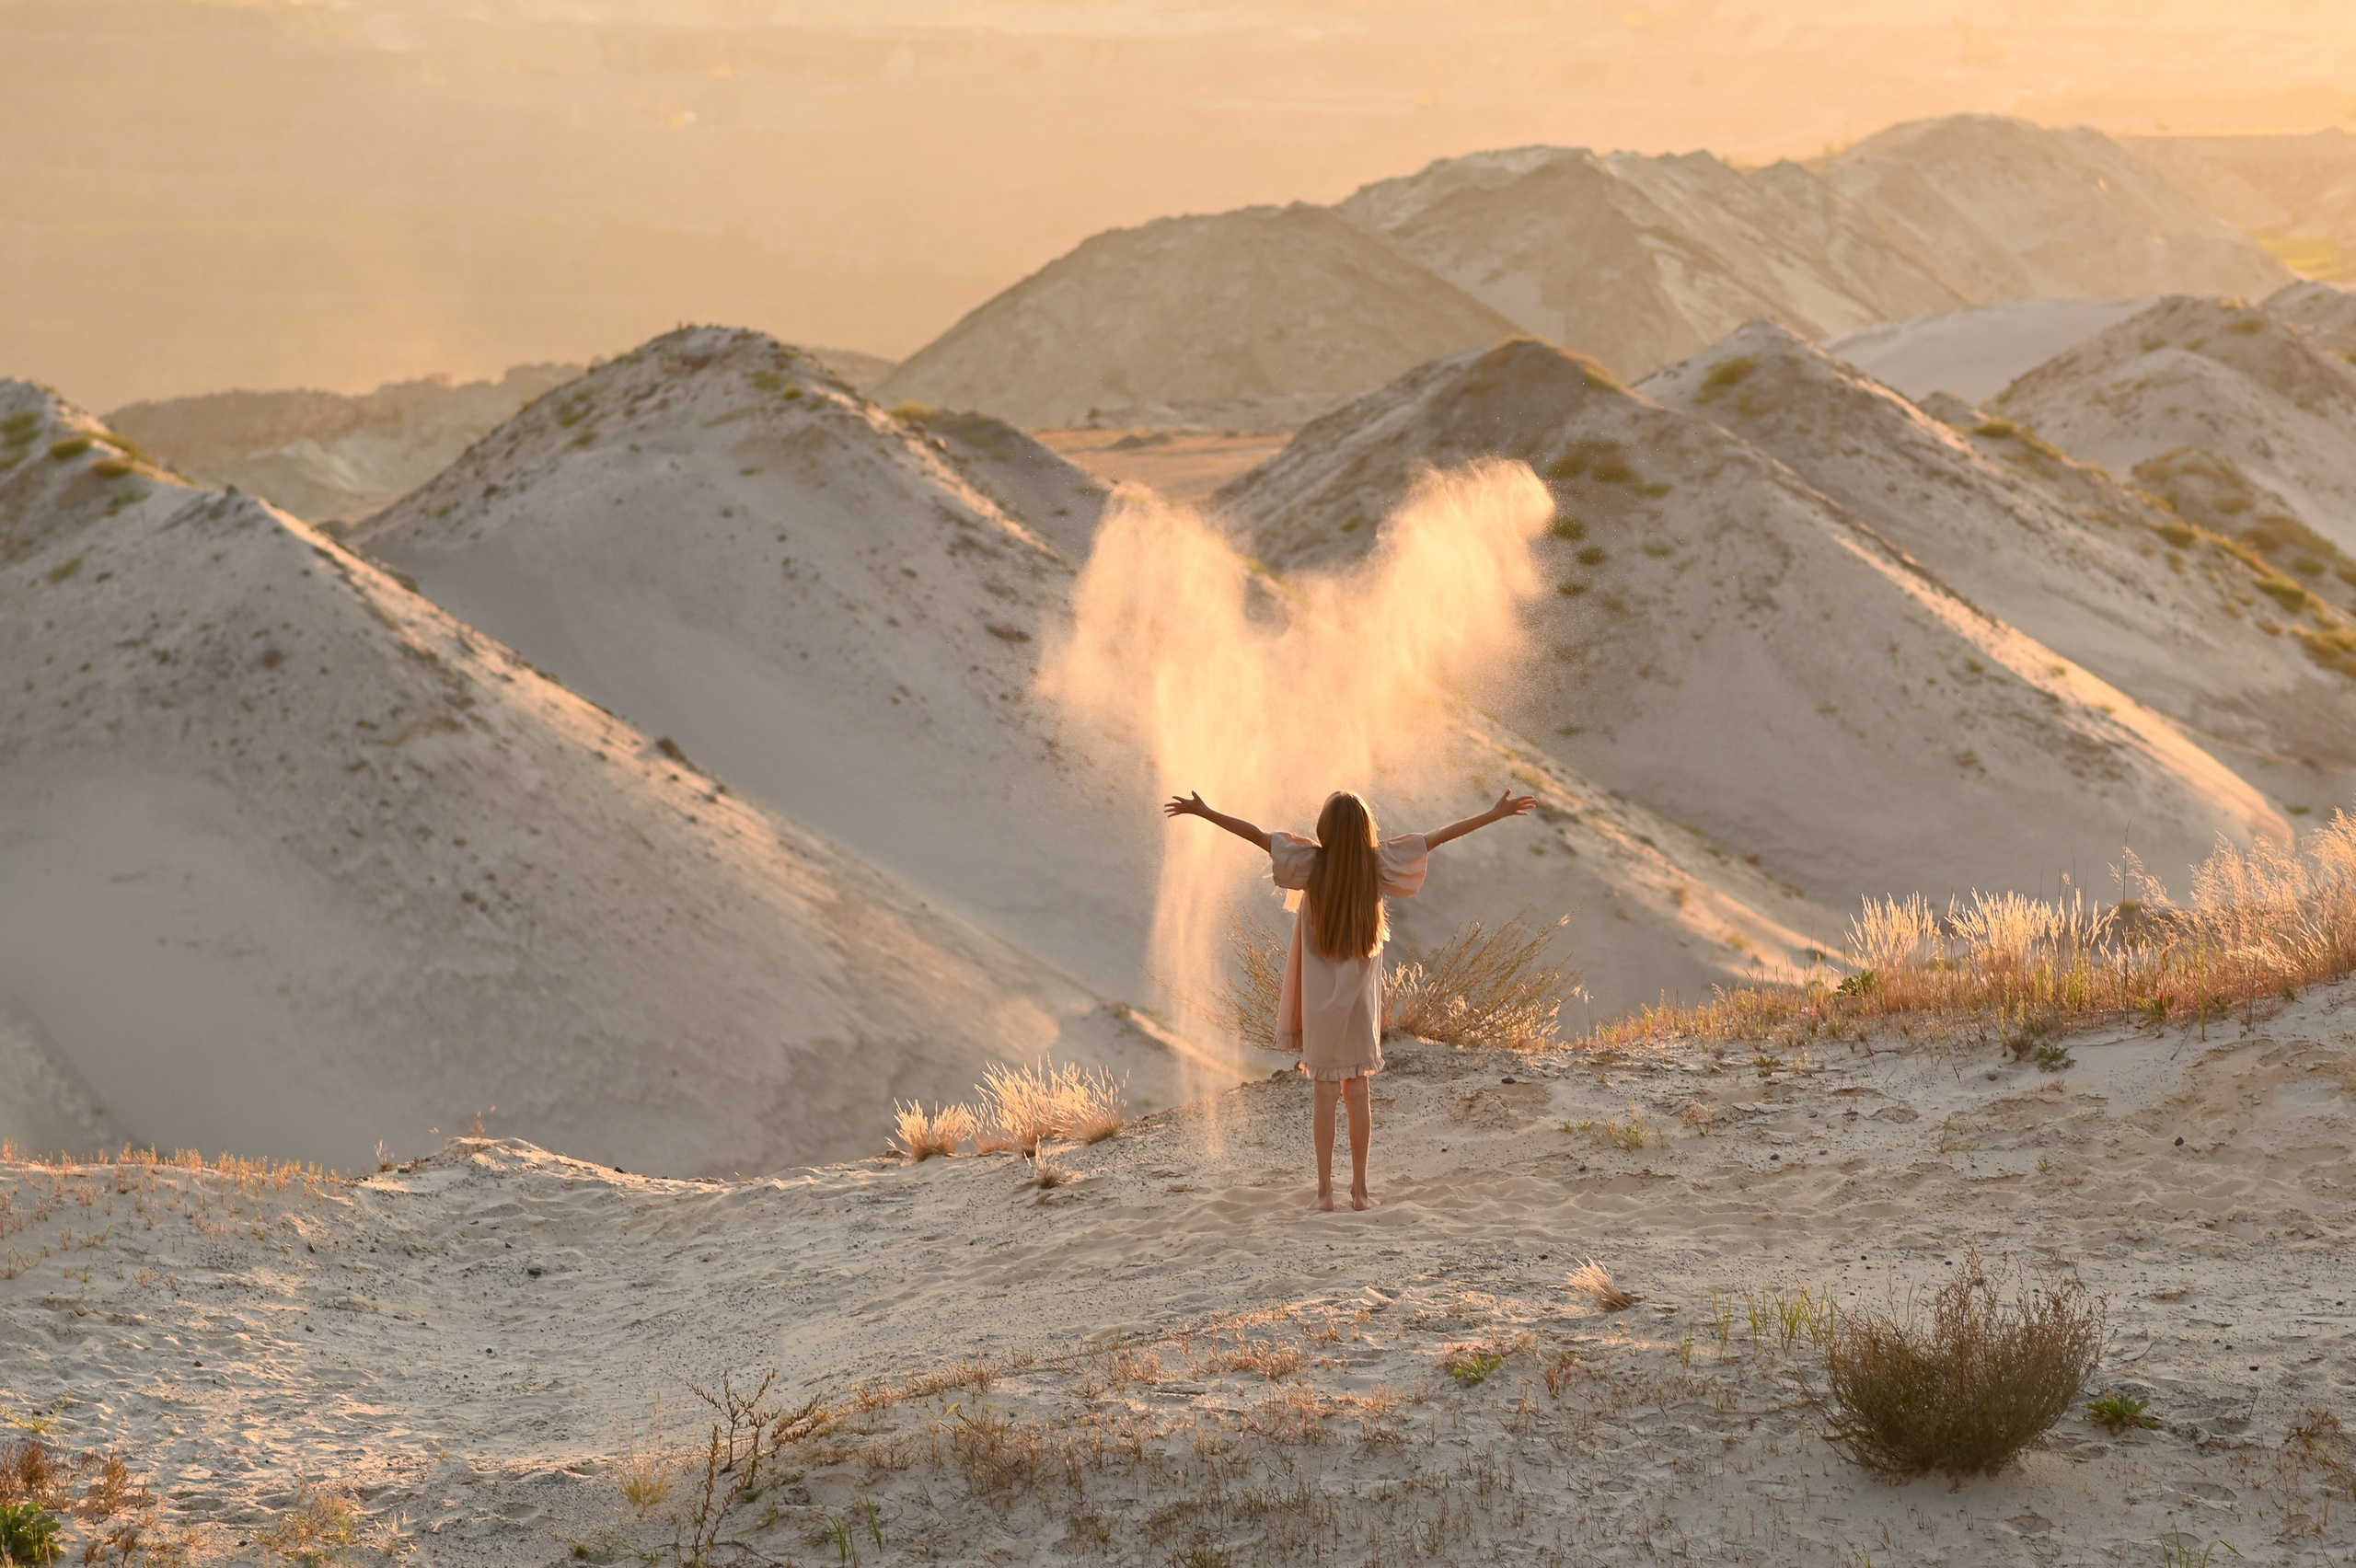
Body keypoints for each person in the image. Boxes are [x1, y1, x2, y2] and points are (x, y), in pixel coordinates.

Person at [1163, 787, 1537, 1210]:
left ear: (1324, 829)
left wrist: (1206, 811)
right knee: (1357, 1094)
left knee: (1324, 1094)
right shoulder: (1377, 866)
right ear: (1366, 831)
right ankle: (1360, 1191)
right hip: (1359, 1006)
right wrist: (1494, 813)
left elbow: (1255, 834)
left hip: (1320, 1006)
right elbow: (1437, 836)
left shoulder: (1309, 864)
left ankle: (1325, 1193)